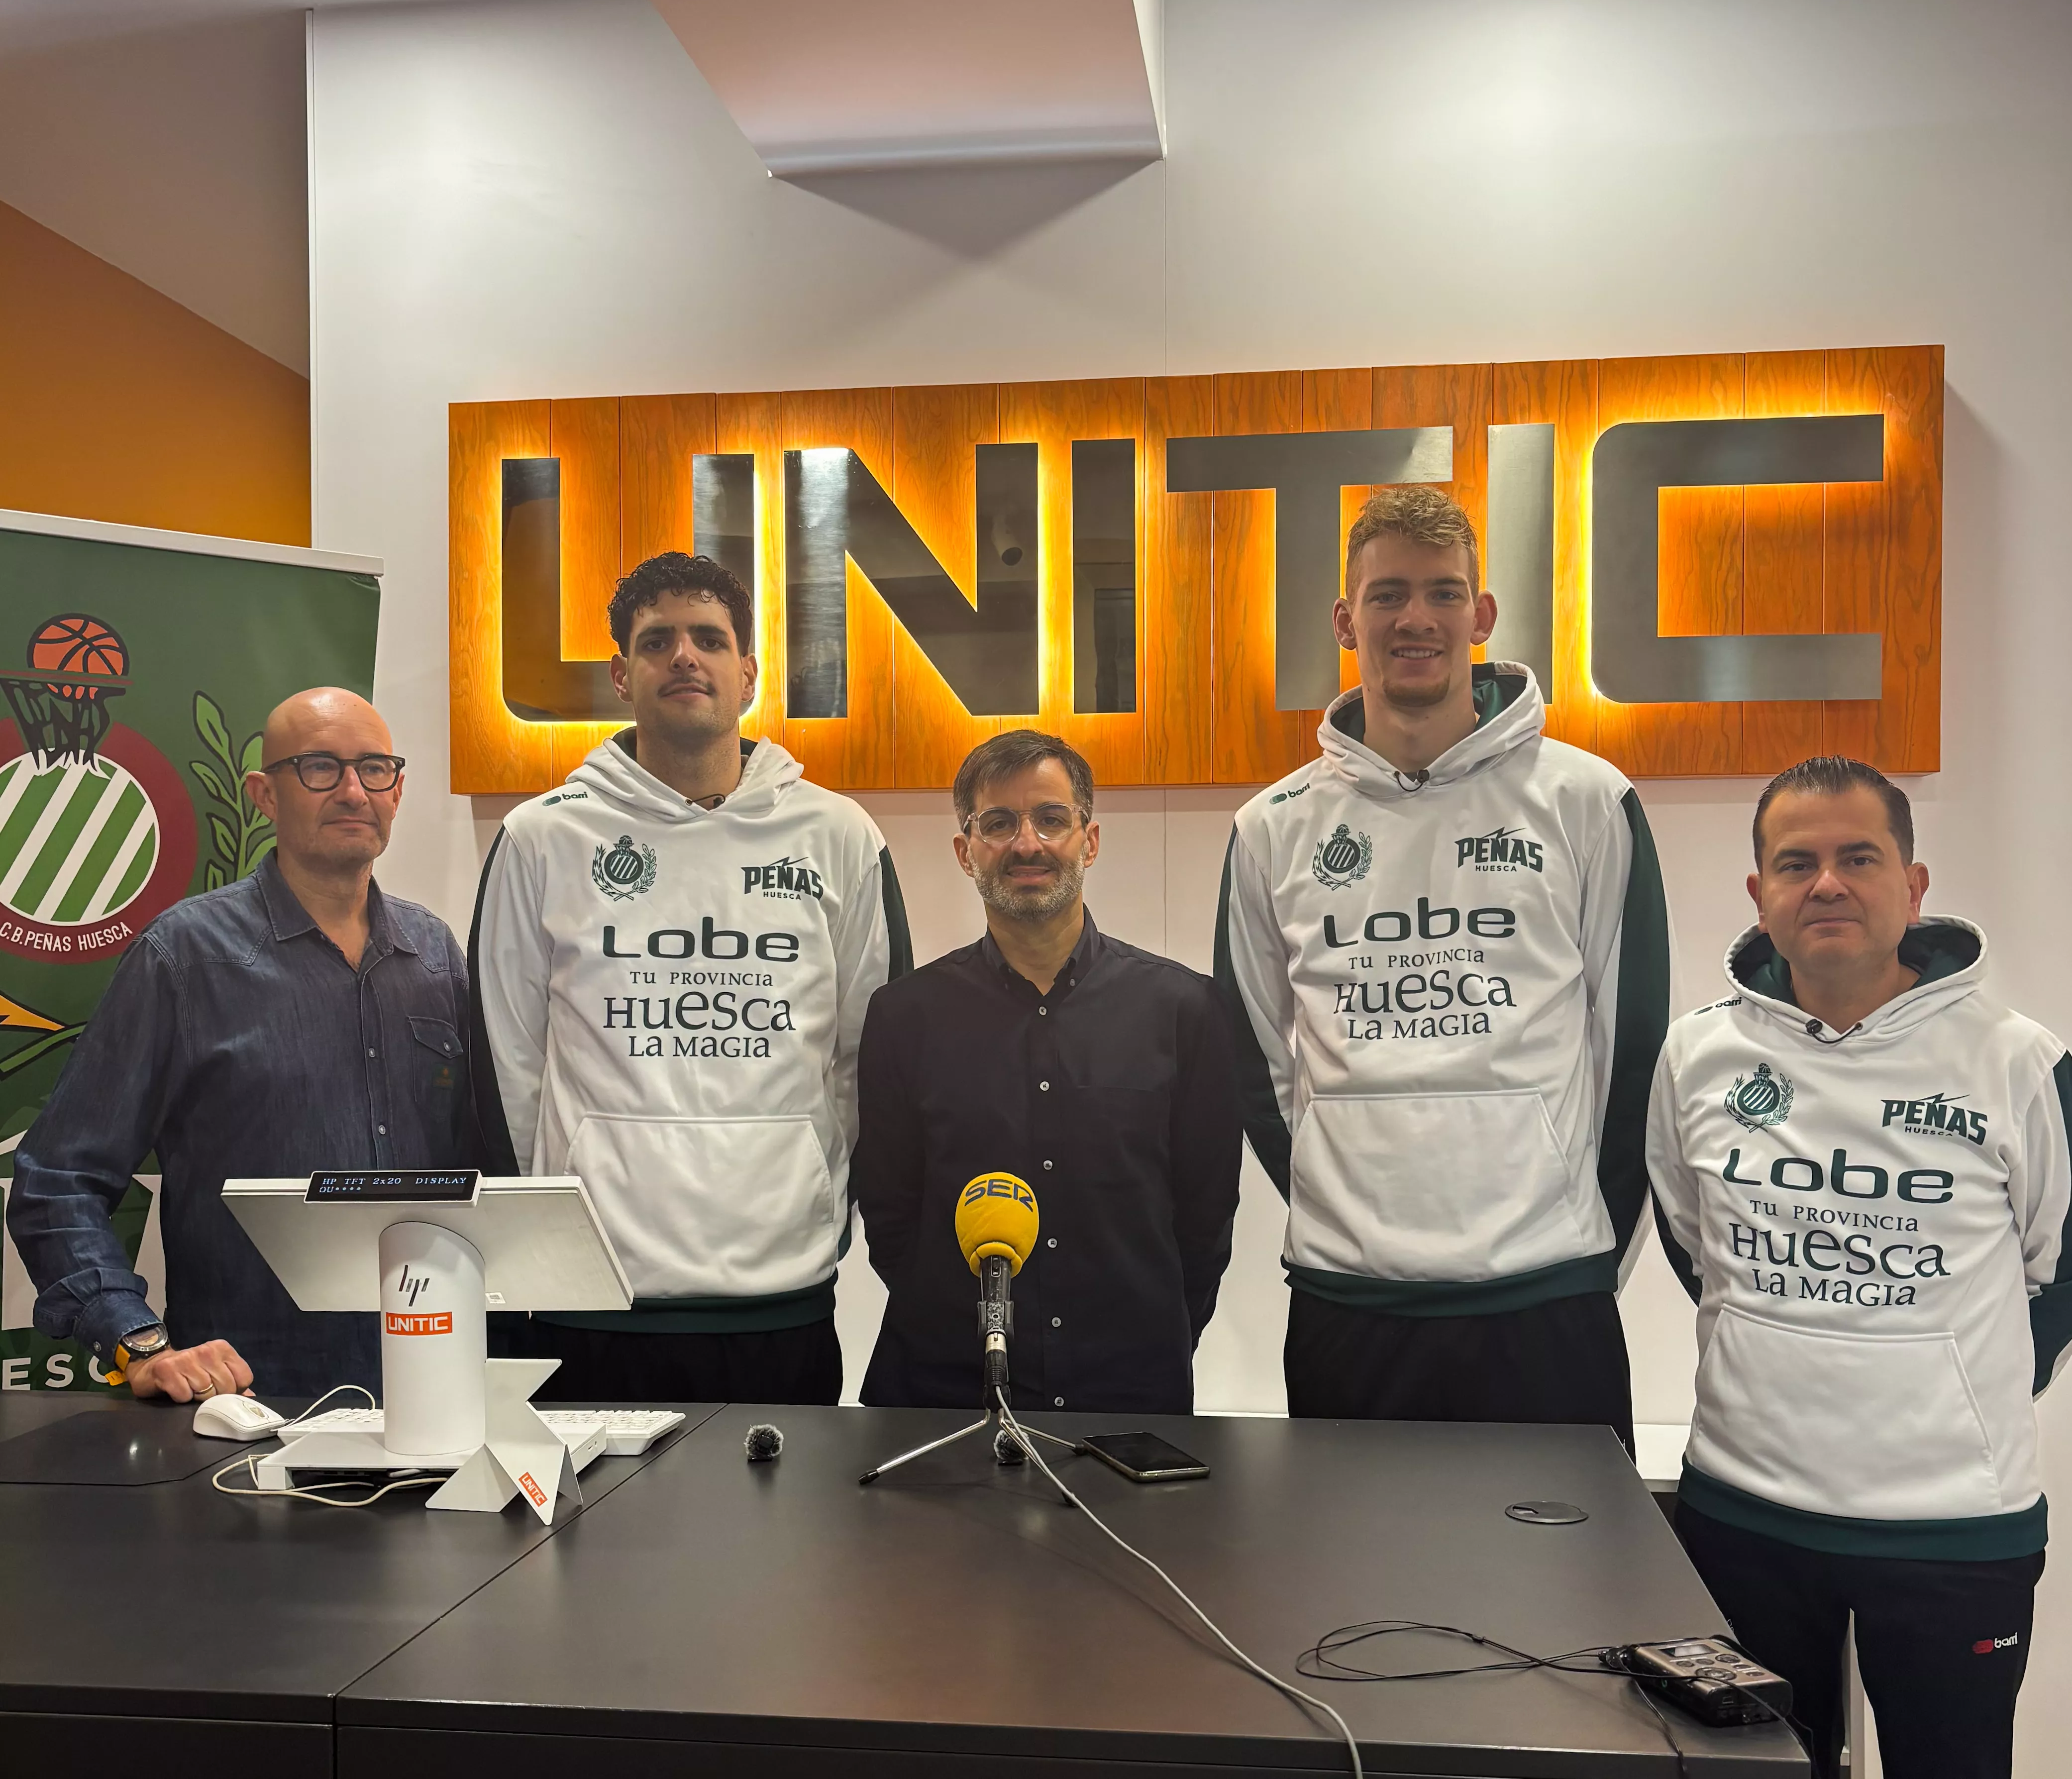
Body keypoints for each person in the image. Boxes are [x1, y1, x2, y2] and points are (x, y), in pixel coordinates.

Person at [1648, 756, 2072, 1779]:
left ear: (1912, 883)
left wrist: (1949, 1383)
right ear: (1758, 894)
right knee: (1747, 1772)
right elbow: (1692, 1236)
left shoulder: (2016, 1061)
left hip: (1952, 1535)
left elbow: (2061, 1268)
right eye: (1794, 862)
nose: (1826, 883)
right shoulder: (1695, 1056)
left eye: (1857, 856)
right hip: (1740, 1517)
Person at [1217, 485, 1668, 1436]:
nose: (1414, 618)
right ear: (1345, 620)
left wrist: (1583, 1242)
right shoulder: (1271, 827)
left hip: (1545, 1300)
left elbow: (1632, 1049)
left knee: (1566, 1587)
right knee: (1359, 1587)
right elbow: (1251, 1061)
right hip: (1351, 1307)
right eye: (1385, 595)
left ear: (1481, 615)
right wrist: (1344, 1193)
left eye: (1441, 592)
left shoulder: (1586, 800)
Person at [472, 550, 911, 1405]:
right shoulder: (542, 838)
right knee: (593, 1545)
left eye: (709, 638)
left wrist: (822, 1213)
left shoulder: (840, 836)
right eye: (657, 640)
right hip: (593, 1302)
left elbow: (871, 1058)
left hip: (781, 1301)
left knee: (786, 1542)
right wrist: (544, 1247)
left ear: (747, 671)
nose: (684, 656)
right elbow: (506, 1069)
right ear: (620, 672)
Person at [6, 689, 489, 1401]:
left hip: (436, 1386)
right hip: (249, 1401)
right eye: (321, 767)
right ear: (264, 794)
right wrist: (133, 1337)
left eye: (375, 768)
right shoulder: (184, 958)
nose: (354, 790)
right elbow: (58, 1179)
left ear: (398, 787)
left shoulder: (436, 956)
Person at [853, 730, 1241, 1413]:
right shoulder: (903, 1016)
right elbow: (890, 1212)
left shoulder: (1184, 1009)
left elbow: (1204, 1216)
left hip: (1127, 1394)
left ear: (1088, 841)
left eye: (1051, 819)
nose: (1026, 843)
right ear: (964, 850)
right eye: (997, 823)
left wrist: (1154, 1334)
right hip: (943, 1391)